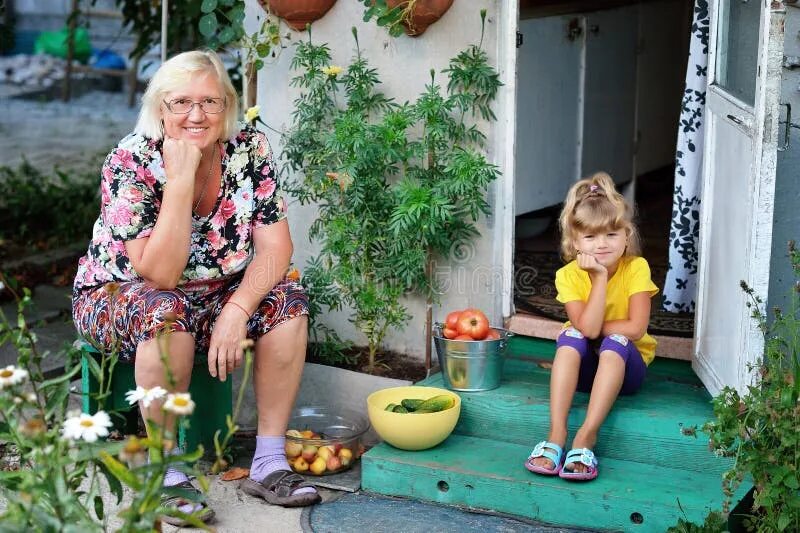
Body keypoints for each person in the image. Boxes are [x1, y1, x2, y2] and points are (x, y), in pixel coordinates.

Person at [72, 50, 320, 524]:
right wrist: (181, 179)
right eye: (181, 102)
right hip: (120, 294)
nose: (196, 115)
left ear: (227, 106)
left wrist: (238, 309)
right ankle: (164, 472)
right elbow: (160, 274)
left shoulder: (249, 148)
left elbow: (275, 249)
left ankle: (268, 462)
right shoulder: (129, 160)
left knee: (288, 300)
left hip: (217, 293)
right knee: (165, 311)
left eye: (210, 102)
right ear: (160, 108)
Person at [523, 172, 658, 481]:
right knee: (570, 338)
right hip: (584, 375)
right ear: (575, 242)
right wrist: (598, 279)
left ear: (627, 235)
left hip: (625, 372)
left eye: (612, 235)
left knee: (616, 341)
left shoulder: (636, 267)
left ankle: (586, 436)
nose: (602, 245)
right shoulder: (568, 275)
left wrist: (592, 329)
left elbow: (636, 328)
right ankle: (557, 434)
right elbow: (584, 331)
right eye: (591, 237)